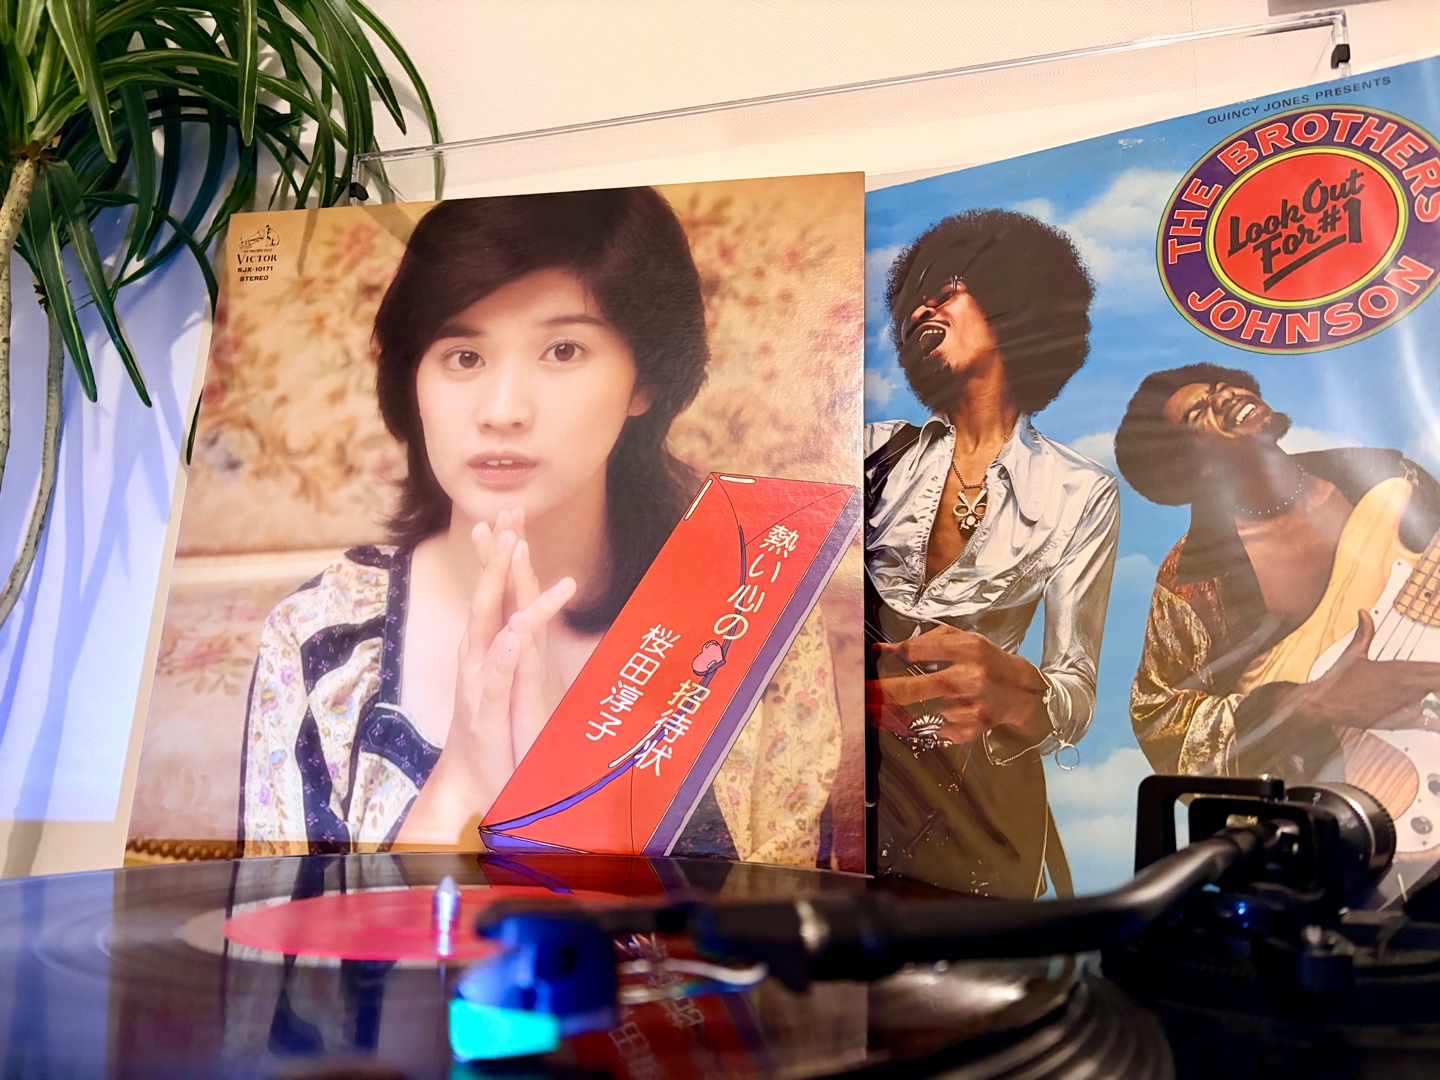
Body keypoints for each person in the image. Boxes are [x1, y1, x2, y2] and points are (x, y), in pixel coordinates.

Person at [240, 189, 843, 863]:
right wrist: (456, 787)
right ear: (413, 380)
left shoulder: (750, 614)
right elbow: (283, 931)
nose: (502, 410)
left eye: (562, 350)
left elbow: (793, 921)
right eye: (464, 357)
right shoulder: (321, 639)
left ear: (644, 379)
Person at [865, 208, 1119, 898]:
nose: (922, 307)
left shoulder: (1080, 489)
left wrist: (1012, 692)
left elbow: (1074, 690)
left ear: (1015, 301)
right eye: (912, 299)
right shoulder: (871, 452)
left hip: (980, 813)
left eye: (945, 288)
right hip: (854, 787)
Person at [1115, 363, 1440, 786]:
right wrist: (1307, 704)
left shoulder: (1391, 477)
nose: (1225, 396)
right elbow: (1160, 720)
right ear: (1194, 467)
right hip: (1347, 793)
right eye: (1200, 413)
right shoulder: (1191, 579)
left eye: (1220, 386)